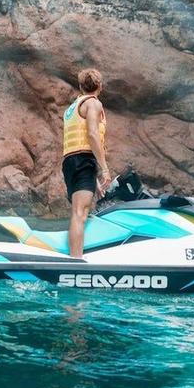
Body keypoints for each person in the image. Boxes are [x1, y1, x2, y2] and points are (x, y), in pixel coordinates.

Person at [61, 67, 111, 257]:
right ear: (100, 86)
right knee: (80, 213)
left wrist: (94, 178)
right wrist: (104, 169)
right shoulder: (94, 104)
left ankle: (75, 256)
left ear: (81, 86)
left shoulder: (72, 107)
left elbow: (76, 143)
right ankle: (76, 261)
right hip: (83, 161)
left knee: (77, 212)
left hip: (70, 162)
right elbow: (91, 134)